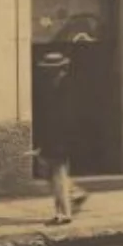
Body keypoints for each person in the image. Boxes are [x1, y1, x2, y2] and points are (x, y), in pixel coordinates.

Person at [33, 49, 86, 225]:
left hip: (63, 139)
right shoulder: (50, 86)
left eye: (52, 68)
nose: (49, 71)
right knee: (53, 175)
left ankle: (64, 213)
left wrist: (66, 140)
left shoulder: (69, 86)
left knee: (59, 176)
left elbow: (69, 117)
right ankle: (71, 198)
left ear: (60, 68)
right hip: (53, 138)